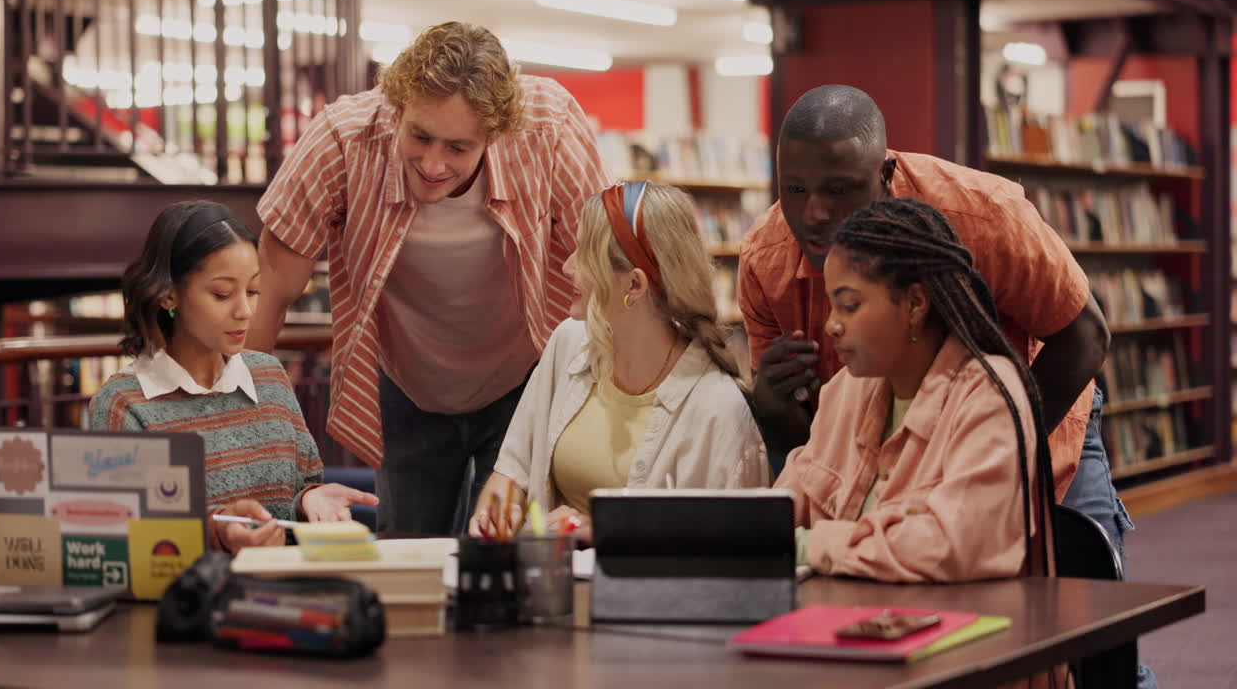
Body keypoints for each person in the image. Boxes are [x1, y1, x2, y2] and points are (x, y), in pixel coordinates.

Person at [739, 85, 1133, 567]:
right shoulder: (768, 262)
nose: (814, 213)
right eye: (793, 189)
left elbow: (1085, 338)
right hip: (882, 443)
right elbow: (806, 463)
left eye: (839, 189)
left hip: (1036, 409)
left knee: (1080, 590)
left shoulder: (982, 215)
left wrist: (999, 440)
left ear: (884, 175)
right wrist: (772, 407)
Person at [248, 21, 610, 535]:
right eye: (419, 136)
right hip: (407, 385)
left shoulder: (548, 126)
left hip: (523, 380)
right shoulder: (342, 138)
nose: (434, 164)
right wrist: (238, 425)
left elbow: (608, 271)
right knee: (407, 555)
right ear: (398, 106)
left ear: (494, 134)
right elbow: (269, 292)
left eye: (458, 148)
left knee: (505, 561)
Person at [469, 182, 769, 543]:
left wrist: (601, 534)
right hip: (553, 588)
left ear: (634, 285)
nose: (566, 267)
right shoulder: (568, 343)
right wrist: (499, 510)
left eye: (582, 255)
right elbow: (513, 469)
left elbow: (725, 551)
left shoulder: (717, 412)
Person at [776, 197, 1056, 583]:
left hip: (959, 628)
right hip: (844, 620)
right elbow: (784, 507)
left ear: (915, 303)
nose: (831, 326)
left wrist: (812, 546)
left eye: (850, 305)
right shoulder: (843, 390)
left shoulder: (989, 394)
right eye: (831, 306)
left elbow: (952, 544)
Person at [89, 201, 378, 554]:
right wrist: (218, 534)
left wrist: (310, 500)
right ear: (169, 295)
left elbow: (300, 487)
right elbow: (125, 536)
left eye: (253, 292)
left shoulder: (269, 376)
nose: (244, 311)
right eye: (222, 294)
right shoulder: (124, 404)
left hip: (287, 591)